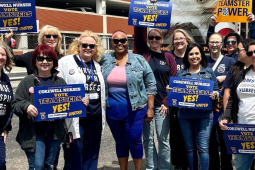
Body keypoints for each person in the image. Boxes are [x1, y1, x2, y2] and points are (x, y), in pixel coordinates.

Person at [100, 30, 157, 170]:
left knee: (134, 140)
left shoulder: (139, 59)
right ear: (112, 43)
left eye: (123, 40)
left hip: (136, 109)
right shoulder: (104, 59)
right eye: (116, 41)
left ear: (127, 42)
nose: (120, 44)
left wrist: (150, 108)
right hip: (112, 109)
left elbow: (151, 84)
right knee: (120, 142)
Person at [11, 44, 66, 170]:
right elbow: (15, 104)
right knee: (37, 166)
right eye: (40, 59)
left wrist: (80, 102)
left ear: (54, 61)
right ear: (35, 61)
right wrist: (26, 106)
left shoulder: (60, 82)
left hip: (54, 133)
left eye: (49, 59)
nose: (45, 62)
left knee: (50, 166)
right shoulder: (27, 81)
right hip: (34, 133)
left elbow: (69, 103)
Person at [57, 30, 105, 170]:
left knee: (92, 153)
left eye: (92, 46)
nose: (88, 48)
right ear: (78, 46)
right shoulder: (66, 62)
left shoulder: (97, 66)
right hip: (76, 115)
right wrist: (75, 99)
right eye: (84, 45)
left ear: (96, 48)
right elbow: (57, 87)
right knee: (74, 153)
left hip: (95, 116)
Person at [168, 43, 219, 170]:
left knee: (203, 148)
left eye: (197, 53)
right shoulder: (180, 74)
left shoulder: (209, 72)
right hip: (185, 115)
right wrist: (170, 91)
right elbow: (175, 93)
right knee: (190, 148)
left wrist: (215, 94)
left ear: (201, 55)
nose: (194, 56)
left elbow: (217, 90)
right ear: (187, 56)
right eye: (191, 54)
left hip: (204, 115)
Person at [134, 26, 177, 169]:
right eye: (151, 37)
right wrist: (144, 9)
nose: (154, 40)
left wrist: (167, 102)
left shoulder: (169, 57)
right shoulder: (143, 54)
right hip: (144, 104)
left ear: (162, 40)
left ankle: (164, 167)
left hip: (162, 104)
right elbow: (138, 33)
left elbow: (174, 81)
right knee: (147, 138)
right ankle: (151, 166)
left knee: (162, 138)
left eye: (157, 38)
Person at [219, 40, 255, 170]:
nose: (254, 55)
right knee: (240, 167)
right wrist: (226, 117)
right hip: (242, 129)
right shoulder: (241, 74)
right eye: (251, 52)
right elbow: (232, 99)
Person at [207, 33, 235, 170]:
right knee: (210, 143)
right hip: (208, 109)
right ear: (208, 44)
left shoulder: (230, 62)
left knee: (225, 143)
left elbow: (236, 83)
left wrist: (226, 78)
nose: (214, 45)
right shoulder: (203, 61)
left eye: (217, 42)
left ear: (222, 44)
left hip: (224, 109)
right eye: (212, 42)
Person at [168, 28, 195, 170]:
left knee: (191, 135)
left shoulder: (193, 55)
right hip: (175, 103)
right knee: (176, 134)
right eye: (176, 39)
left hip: (192, 102)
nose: (178, 41)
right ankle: (177, 163)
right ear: (172, 42)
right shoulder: (168, 56)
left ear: (187, 40)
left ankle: (189, 163)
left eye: (181, 38)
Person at [0, 41, 13, 170]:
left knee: (1, 163)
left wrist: (6, 128)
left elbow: (9, 106)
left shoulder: (5, 79)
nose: (0, 57)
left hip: (0, 131)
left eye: (3, 54)